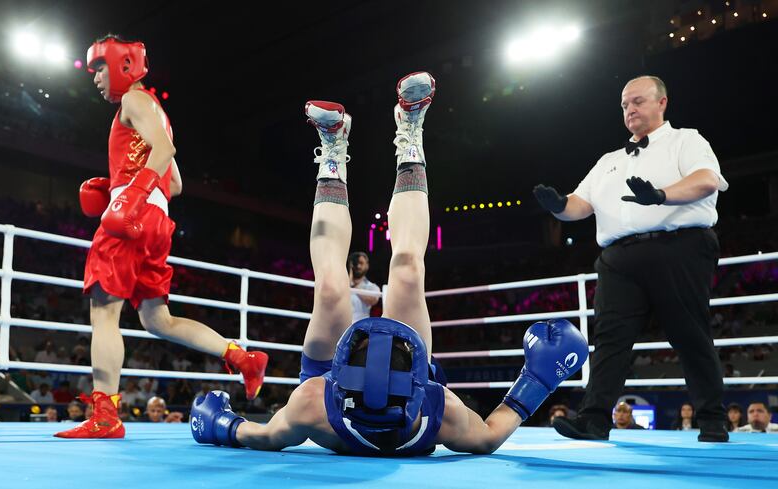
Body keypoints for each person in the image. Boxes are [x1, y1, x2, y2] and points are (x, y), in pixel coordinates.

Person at [188, 72, 588, 456]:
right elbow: (488, 436)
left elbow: (260, 435)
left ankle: (332, 152)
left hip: (342, 389)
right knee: (409, 269)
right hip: (398, 374)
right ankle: (410, 135)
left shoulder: (312, 402)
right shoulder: (438, 409)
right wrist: (536, 382)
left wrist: (223, 425)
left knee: (330, 287)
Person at [54, 35, 267, 439]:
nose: (96, 77)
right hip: (157, 219)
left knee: (103, 311)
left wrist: (128, 195)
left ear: (124, 63)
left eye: (100, 67)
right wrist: (124, 185)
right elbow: (177, 183)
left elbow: (164, 149)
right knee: (156, 319)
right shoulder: (155, 111)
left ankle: (105, 415)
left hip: (135, 217)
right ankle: (241, 358)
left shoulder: (134, 102)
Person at [537, 76, 730, 442]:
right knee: (609, 339)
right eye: (625, 105)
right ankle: (593, 419)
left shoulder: (686, 140)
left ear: (662, 103)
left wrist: (660, 195)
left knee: (689, 334)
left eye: (638, 102)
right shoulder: (609, 161)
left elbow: (707, 179)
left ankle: (712, 419)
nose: (630, 110)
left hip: (679, 247)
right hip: (619, 258)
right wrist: (560, 206)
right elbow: (582, 203)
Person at [348, 251, 381, 322]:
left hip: (360, 326)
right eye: (355, 263)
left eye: (361, 263)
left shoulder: (372, 286)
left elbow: (373, 301)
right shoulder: (342, 284)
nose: (358, 266)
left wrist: (354, 287)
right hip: (341, 325)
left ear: (367, 265)